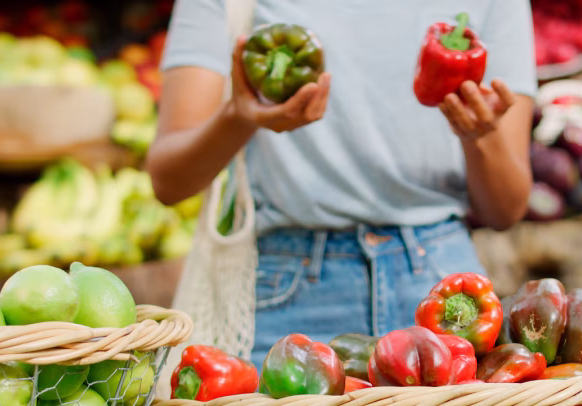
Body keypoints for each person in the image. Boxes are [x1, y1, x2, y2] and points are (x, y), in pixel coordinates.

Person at [147, 0, 537, 367]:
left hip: (448, 291)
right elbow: (169, 180)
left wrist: (478, 136)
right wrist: (239, 117)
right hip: (285, 293)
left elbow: (505, 209)